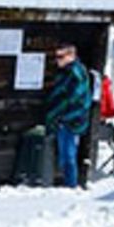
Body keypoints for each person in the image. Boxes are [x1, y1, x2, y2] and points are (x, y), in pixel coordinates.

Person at [43, 43, 95, 189]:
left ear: (71, 56)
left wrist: (62, 114)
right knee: (64, 155)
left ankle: (71, 185)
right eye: (56, 56)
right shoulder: (65, 72)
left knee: (69, 155)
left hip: (72, 121)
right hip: (63, 119)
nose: (58, 60)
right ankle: (67, 182)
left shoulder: (76, 73)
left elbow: (75, 99)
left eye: (61, 56)